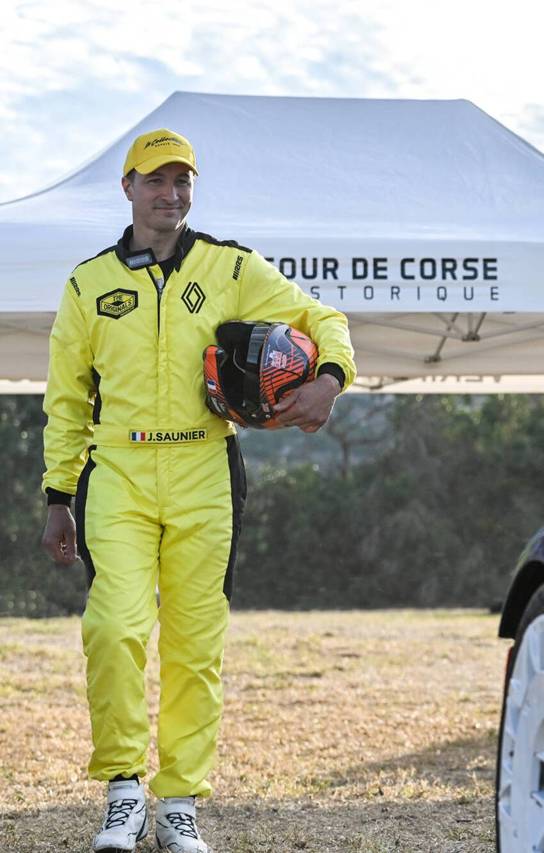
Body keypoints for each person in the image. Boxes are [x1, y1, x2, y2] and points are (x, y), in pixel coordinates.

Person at [38, 128, 357, 853]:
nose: (171, 193)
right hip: (115, 471)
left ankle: (178, 802)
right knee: (114, 626)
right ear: (127, 188)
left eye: (182, 180)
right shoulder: (87, 283)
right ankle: (124, 791)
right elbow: (65, 400)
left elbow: (324, 319)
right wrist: (58, 495)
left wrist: (330, 378)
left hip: (207, 469)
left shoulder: (231, 265)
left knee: (195, 643)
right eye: (156, 180)